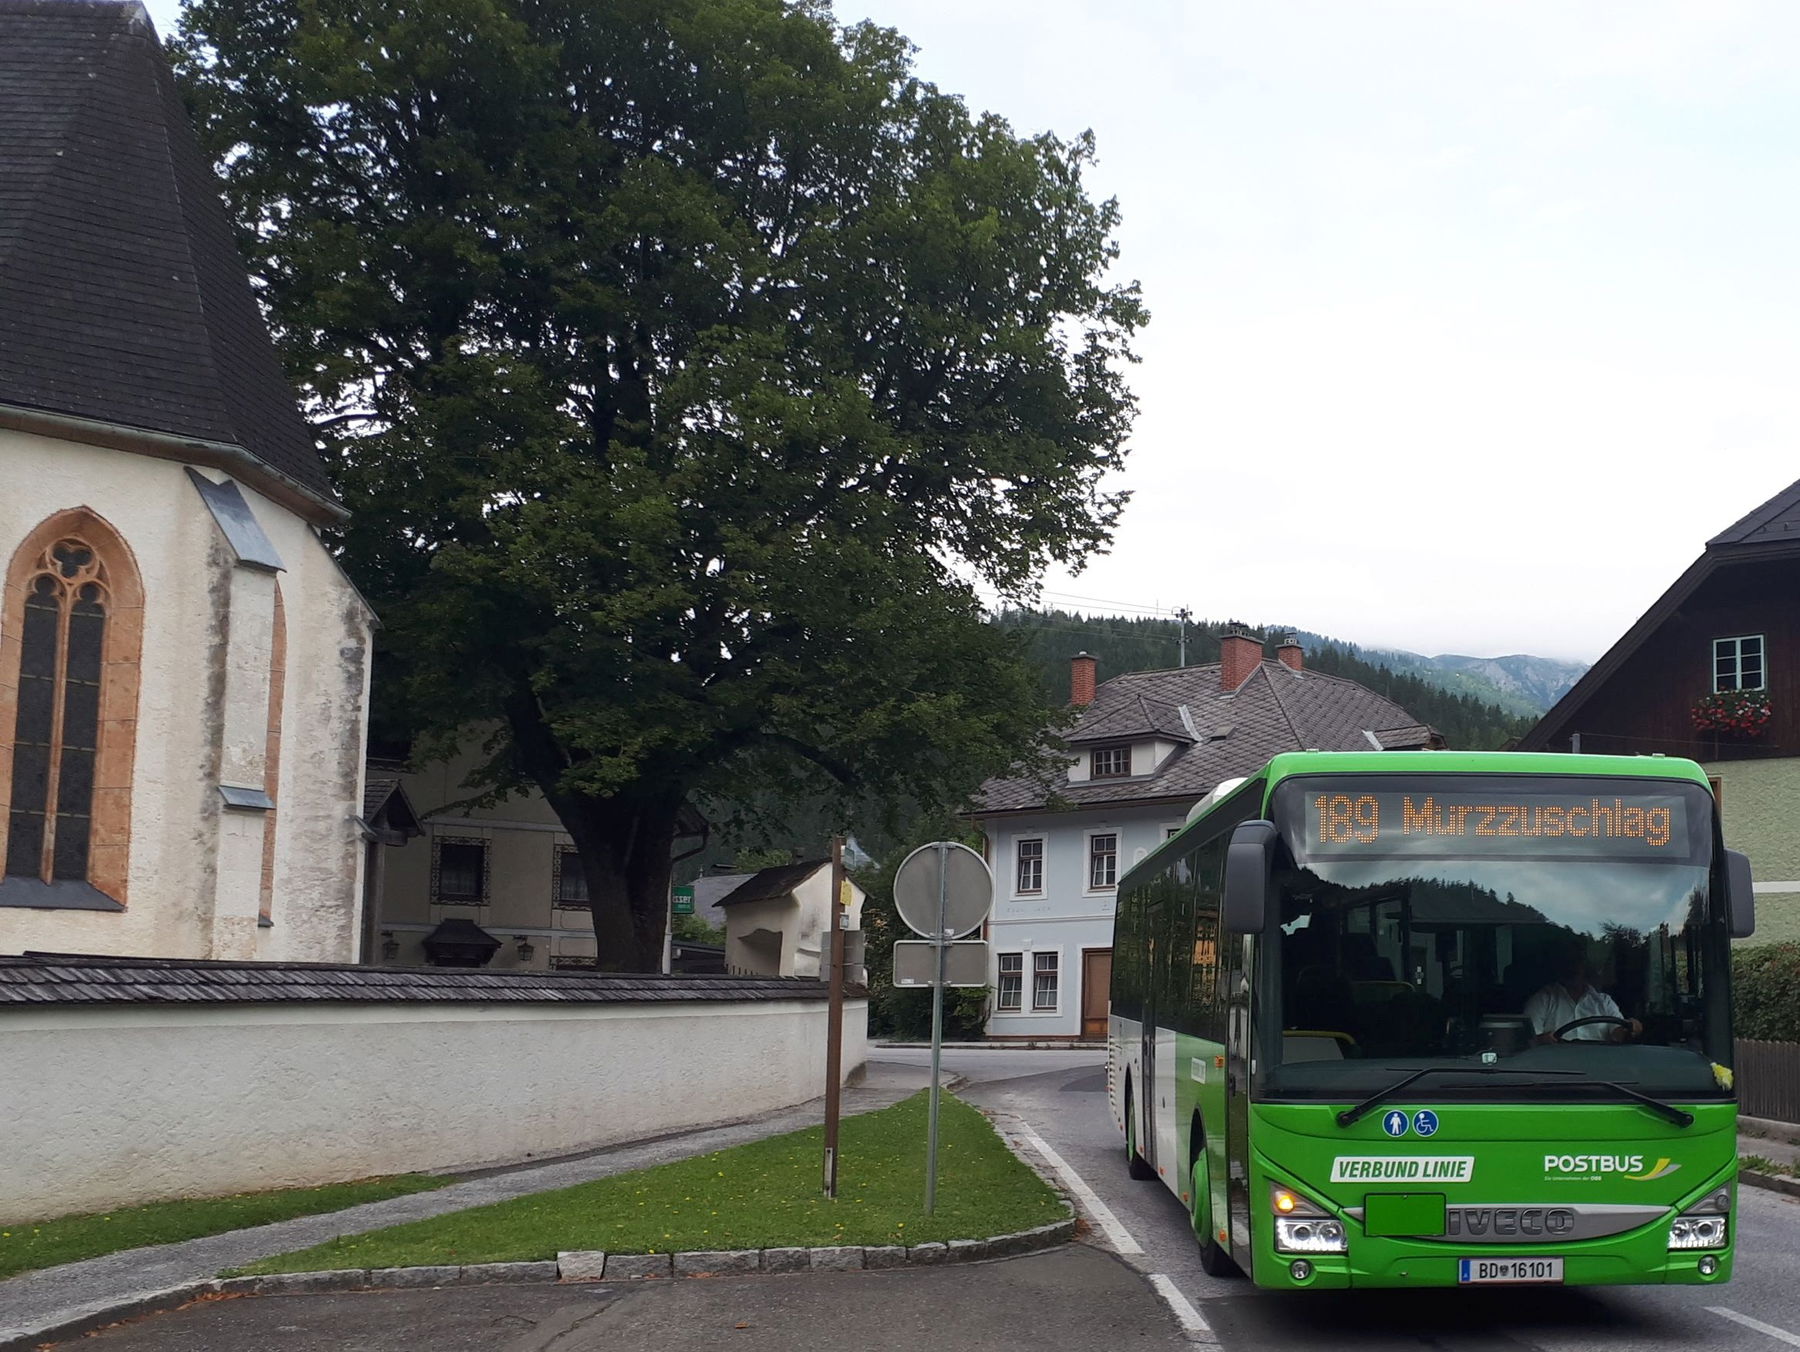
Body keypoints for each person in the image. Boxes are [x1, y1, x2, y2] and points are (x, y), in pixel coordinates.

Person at [1525, 941, 1642, 1044]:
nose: (1572, 967)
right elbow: (1527, 1041)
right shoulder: (1542, 1000)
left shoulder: (1604, 1001)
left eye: (1577, 961)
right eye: (1568, 961)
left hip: (1600, 1064)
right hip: (1556, 1065)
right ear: (1558, 965)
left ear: (1584, 965)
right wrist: (1542, 1040)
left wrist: (1631, 1028)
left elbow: (1618, 1035)